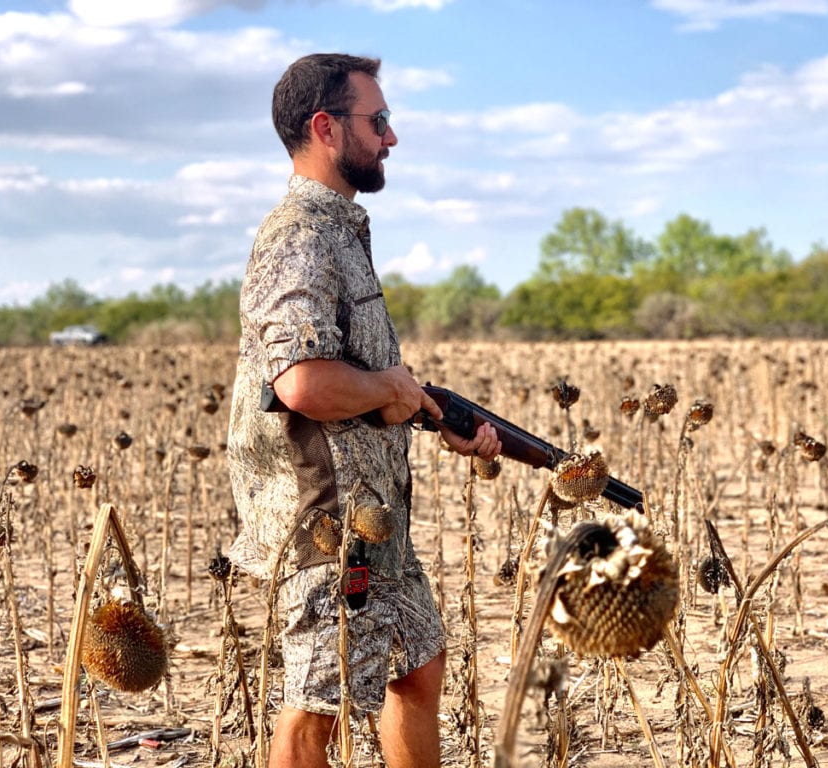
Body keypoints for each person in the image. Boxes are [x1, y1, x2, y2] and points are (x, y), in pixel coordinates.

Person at [226, 53, 501, 768]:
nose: (391, 136)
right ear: (325, 127)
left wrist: (431, 413)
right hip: (328, 523)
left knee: (418, 665)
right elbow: (303, 384)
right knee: (316, 707)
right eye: (376, 120)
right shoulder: (301, 235)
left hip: (375, 516)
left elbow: (358, 378)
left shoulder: (340, 230)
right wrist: (391, 389)